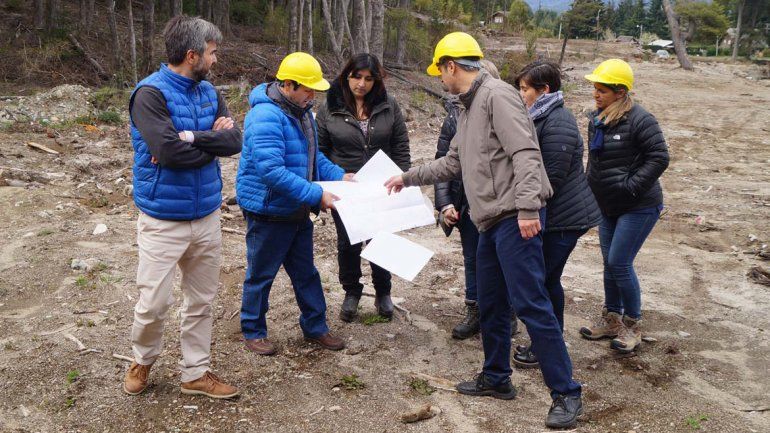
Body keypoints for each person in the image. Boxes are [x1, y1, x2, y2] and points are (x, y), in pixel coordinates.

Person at [384, 32, 583, 429]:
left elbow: (526, 152)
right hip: (488, 220)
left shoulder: (498, 96)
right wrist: (406, 178)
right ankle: (496, 377)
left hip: (514, 217)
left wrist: (529, 208)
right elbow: (451, 163)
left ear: (451, 66)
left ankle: (566, 393)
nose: (440, 79)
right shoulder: (467, 107)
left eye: (440, 71)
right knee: (491, 302)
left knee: (531, 303)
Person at [124, 15, 240, 399]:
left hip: (206, 215)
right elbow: (169, 153)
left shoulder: (210, 92)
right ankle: (142, 359)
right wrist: (209, 142)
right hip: (162, 219)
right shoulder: (149, 95)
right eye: (212, 52)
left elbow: (234, 142)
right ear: (192, 55)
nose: (215, 59)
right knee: (153, 304)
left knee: (201, 301)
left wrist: (190, 138)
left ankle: (195, 372)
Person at [236, 52, 354, 356]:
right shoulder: (264, 116)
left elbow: (314, 158)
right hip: (268, 211)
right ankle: (253, 330)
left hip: (296, 209)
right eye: (308, 89)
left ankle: (316, 327)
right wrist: (316, 195)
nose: (312, 95)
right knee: (261, 275)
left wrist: (340, 176)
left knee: (306, 273)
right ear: (288, 85)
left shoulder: (302, 113)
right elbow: (271, 171)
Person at [510, 60, 602, 368]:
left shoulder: (558, 122)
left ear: (544, 90)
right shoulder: (541, 116)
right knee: (547, 279)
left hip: (564, 218)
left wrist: (521, 205)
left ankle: (546, 345)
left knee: (545, 280)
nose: (520, 94)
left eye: (525, 89)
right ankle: (547, 340)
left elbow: (550, 177)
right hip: (557, 215)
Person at [578, 59, 669, 353]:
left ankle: (632, 325)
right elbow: (596, 162)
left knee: (619, 261)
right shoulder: (598, 119)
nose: (596, 94)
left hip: (638, 205)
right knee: (609, 262)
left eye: (602, 90)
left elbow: (659, 157)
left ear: (620, 92)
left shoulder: (641, 120)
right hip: (608, 205)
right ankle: (612, 319)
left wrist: (631, 186)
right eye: (595, 88)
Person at [317, 53, 411, 322]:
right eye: (357, 77)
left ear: (376, 81)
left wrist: (402, 177)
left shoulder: (388, 104)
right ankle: (351, 291)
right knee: (348, 242)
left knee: (381, 238)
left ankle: (383, 292)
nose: (362, 84)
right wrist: (333, 178)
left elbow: (400, 145)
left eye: (369, 79)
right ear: (347, 75)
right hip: (345, 186)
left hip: (381, 185)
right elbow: (319, 150)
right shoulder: (330, 105)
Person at [433, 59, 519, 339]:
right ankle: (475, 310)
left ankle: (506, 312)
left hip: (500, 205)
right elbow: (444, 162)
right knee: (472, 259)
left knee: (504, 262)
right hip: (466, 203)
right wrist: (445, 203)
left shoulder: (503, 109)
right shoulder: (455, 117)